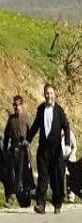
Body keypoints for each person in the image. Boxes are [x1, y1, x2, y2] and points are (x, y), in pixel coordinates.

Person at [26, 83, 70, 214]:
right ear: (44, 94)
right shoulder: (40, 109)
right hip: (43, 150)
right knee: (43, 177)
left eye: (51, 93)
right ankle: (40, 204)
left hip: (56, 151)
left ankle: (57, 204)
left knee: (56, 178)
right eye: (47, 93)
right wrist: (27, 140)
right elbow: (35, 126)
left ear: (54, 94)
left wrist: (67, 144)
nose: (49, 96)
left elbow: (66, 127)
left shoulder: (59, 111)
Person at [3, 95, 32, 207]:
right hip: (14, 151)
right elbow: (6, 136)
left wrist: (27, 142)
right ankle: (11, 198)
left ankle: (25, 198)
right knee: (12, 175)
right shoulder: (11, 119)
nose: (16, 107)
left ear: (22, 105)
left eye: (18, 104)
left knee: (24, 175)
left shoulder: (26, 118)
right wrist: (5, 149)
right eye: (14, 104)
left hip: (24, 151)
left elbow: (31, 134)